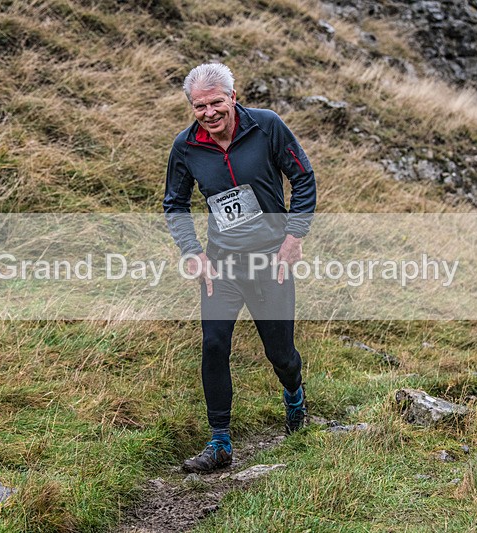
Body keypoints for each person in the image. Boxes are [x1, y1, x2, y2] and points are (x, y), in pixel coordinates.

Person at [163, 62, 316, 474]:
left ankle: (295, 396)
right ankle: (220, 443)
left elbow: (303, 178)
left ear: (232, 97)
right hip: (222, 264)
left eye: (216, 103)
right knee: (214, 344)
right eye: (199, 106)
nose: (209, 113)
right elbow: (175, 203)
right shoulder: (186, 146)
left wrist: (294, 236)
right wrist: (192, 251)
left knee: (280, 354)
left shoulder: (267, 126)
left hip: (270, 261)